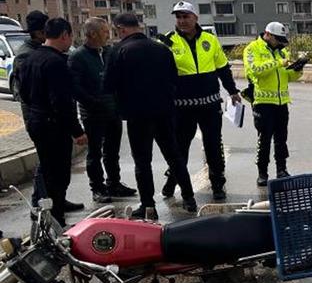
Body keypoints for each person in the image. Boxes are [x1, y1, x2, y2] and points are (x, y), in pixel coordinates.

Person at [104, 13, 196, 219]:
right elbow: (174, 78)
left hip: (137, 114)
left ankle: (148, 206)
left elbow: (108, 85)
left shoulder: (119, 51)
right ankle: (189, 198)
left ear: (121, 29)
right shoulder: (162, 49)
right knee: (174, 156)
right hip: (164, 112)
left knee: (142, 162)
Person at [158, 1, 240, 201]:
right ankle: (174, 179)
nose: (182, 21)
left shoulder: (210, 40)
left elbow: (222, 68)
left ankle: (218, 184)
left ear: (195, 18)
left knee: (213, 145)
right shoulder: (168, 42)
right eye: (178, 17)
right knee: (179, 148)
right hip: (182, 107)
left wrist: (232, 91)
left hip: (209, 105)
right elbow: (160, 75)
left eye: (186, 16)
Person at [16, 18, 88, 226]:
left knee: (48, 170)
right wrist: (77, 131)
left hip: (36, 120)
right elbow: (62, 102)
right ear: (64, 35)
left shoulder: (30, 58)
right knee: (58, 172)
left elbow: (24, 94)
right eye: (70, 36)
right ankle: (56, 218)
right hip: (53, 125)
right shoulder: (56, 63)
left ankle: (53, 210)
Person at [69, 17, 137, 204]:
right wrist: (93, 103)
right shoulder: (78, 57)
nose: (108, 35)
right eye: (105, 32)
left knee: (112, 151)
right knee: (94, 153)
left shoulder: (109, 52)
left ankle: (114, 183)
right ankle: (97, 187)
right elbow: (75, 88)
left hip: (113, 110)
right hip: (93, 114)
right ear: (92, 34)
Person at [242, 22, 305, 186]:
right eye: (277, 39)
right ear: (267, 34)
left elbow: (287, 77)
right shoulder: (252, 49)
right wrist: (278, 63)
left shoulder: (281, 51)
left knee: (281, 139)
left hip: (282, 102)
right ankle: (262, 173)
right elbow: (254, 70)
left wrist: (297, 69)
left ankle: (281, 170)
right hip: (263, 102)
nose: (280, 43)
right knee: (264, 139)